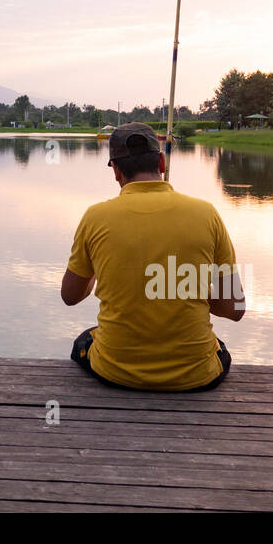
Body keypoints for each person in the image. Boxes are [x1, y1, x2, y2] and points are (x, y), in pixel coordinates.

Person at [61, 122, 245, 391]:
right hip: (196, 375)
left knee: (84, 341)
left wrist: (96, 274)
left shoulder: (95, 218)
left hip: (116, 371)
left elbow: (70, 296)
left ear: (116, 171)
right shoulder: (207, 214)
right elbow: (235, 307)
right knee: (219, 348)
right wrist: (184, 289)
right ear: (161, 162)